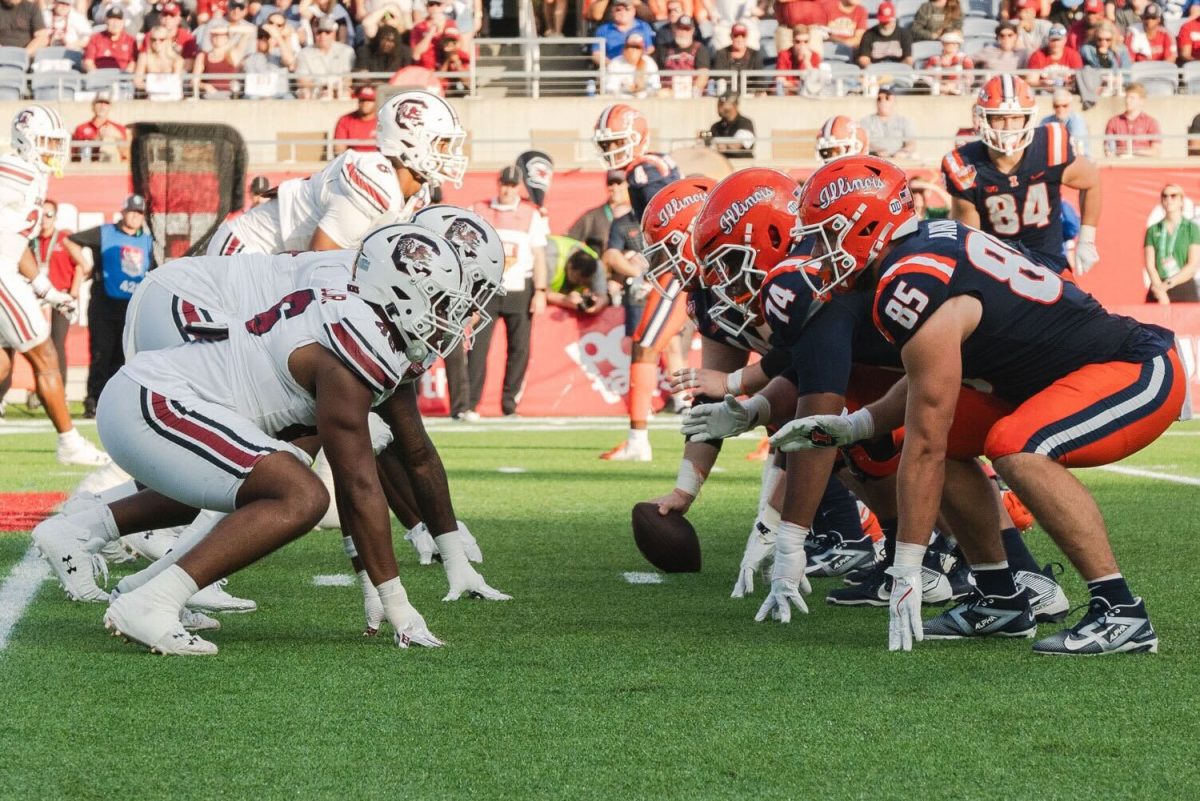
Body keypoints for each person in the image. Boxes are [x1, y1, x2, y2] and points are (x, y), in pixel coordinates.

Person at [781, 154, 1185, 655]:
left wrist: (909, 563)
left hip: (1134, 365)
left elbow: (925, 442)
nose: (817, 251)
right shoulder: (925, 248)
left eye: (827, 234)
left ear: (868, 225)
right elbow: (929, 387)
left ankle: (1121, 611)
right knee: (942, 438)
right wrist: (857, 425)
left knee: (1015, 446)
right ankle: (999, 598)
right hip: (1052, 380)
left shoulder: (912, 281)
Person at [35, 227, 505, 655]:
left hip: (156, 399)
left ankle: (124, 570)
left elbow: (408, 452)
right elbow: (358, 484)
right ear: (398, 291)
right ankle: (154, 600)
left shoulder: (369, 324)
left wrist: (424, 562)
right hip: (157, 402)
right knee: (299, 492)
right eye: (440, 301)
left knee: (267, 480)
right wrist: (395, 601)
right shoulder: (353, 349)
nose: (450, 316)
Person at [206, 90, 463, 257]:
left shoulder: (417, 195)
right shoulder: (376, 180)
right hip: (248, 248)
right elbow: (320, 259)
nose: (448, 153)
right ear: (410, 141)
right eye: (441, 143)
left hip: (282, 260)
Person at [0, 109, 109, 466]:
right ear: (25, 139)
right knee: (44, 355)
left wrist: (46, 289)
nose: (53, 150)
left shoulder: (34, 178)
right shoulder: (15, 169)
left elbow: (17, 246)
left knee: (2, 366)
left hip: (9, 266)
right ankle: (69, 443)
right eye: (47, 142)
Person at [592, 103, 683, 461]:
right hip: (679, 265)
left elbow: (666, 223)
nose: (609, 150)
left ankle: (639, 441)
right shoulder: (658, 163)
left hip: (678, 268)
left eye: (615, 141)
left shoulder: (642, 171)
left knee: (646, 345)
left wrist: (650, 265)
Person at [943, 75, 1101, 276]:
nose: (1009, 128)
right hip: (996, 271)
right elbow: (969, 240)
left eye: (1016, 118)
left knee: (1084, 307)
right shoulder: (966, 165)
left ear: (1028, 118)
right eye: (1000, 118)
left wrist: (1087, 239)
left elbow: (1091, 181)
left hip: (1049, 264)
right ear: (984, 118)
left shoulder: (1049, 145)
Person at [466, 166, 549, 418]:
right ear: (498, 183)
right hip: (486, 290)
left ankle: (510, 404)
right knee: (477, 348)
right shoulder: (478, 210)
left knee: (519, 349)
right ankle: (469, 404)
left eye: (513, 185)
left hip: (518, 288)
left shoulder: (530, 214)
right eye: (504, 183)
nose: (507, 189)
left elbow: (539, 255)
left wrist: (541, 290)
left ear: (519, 187)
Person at [64, 194, 154, 417]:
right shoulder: (105, 233)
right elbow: (70, 240)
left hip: (130, 307)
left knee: (122, 358)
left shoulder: (147, 241)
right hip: (104, 304)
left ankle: (115, 403)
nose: (135, 216)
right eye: (132, 211)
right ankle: (93, 400)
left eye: (139, 213)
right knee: (101, 354)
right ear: (123, 212)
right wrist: (84, 265)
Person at [30, 199, 81, 385]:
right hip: (37, 297)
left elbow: (83, 266)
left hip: (60, 297)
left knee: (57, 343)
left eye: (49, 215)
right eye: (41, 215)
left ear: (55, 217)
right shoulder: (31, 240)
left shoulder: (64, 239)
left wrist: (72, 295)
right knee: (35, 345)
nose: (44, 219)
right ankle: (38, 388)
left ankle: (61, 390)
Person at [1144, 184, 1200, 303]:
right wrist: (1160, 291)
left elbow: (1192, 265)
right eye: (1165, 196)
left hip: (1184, 286)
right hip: (1158, 287)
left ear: (1181, 201)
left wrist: (1167, 285)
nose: (1168, 199)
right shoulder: (1153, 230)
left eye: (1173, 196)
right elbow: (1150, 265)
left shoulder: (1191, 228)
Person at [545, 236, 608, 314]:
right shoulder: (550, 258)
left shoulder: (597, 267)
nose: (580, 284)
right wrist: (564, 300)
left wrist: (597, 306)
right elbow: (541, 293)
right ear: (570, 266)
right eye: (577, 280)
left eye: (585, 283)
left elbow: (603, 297)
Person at [297, 15, 355, 98]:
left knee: (345, 93)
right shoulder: (304, 53)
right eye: (319, 32)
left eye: (327, 32)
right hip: (314, 91)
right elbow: (302, 80)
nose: (323, 36)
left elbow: (348, 79)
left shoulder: (346, 51)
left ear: (334, 33)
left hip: (339, 90)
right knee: (305, 93)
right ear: (314, 33)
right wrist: (322, 88)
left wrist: (332, 89)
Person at [655, 14, 710, 97]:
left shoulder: (700, 49)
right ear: (674, 29)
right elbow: (656, 73)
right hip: (668, 95)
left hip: (692, 95)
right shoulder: (664, 48)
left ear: (692, 31)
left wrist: (692, 92)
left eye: (687, 29)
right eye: (680, 28)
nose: (683, 32)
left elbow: (703, 75)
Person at [1103, 82, 1161, 157]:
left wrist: (1132, 152)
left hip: (1143, 164)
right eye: (1126, 97)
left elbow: (1156, 151)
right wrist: (1111, 153)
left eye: (1132, 98)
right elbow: (1108, 148)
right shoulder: (1113, 121)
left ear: (1141, 101)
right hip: (1120, 164)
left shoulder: (1151, 122)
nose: (1127, 100)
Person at [859, 85, 914, 159]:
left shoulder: (904, 121)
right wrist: (877, 150)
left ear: (894, 101)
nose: (883, 101)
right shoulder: (866, 121)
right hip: (875, 159)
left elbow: (911, 143)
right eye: (879, 98)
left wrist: (903, 151)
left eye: (887, 98)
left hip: (898, 161)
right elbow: (862, 142)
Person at [71, 94, 129, 163]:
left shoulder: (119, 128)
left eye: (106, 103)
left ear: (110, 107)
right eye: (99, 103)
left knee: (110, 139)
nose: (102, 106)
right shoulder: (81, 128)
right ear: (93, 106)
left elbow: (127, 155)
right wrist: (97, 139)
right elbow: (74, 154)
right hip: (88, 165)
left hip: (112, 167)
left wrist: (118, 136)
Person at [1079, 20, 1129, 97]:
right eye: (1100, 39)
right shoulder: (1087, 50)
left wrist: (1115, 80)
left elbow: (1127, 75)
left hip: (1116, 89)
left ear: (1113, 37)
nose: (1103, 43)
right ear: (1095, 37)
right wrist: (1102, 55)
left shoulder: (1121, 50)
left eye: (1108, 39)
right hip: (1095, 88)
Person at [194, 21, 244, 97]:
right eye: (215, 35)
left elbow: (249, 31)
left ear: (227, 38)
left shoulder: (233, 54)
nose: (218, 37)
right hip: (210, 95)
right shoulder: (203, 56)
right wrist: (205, 86)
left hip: (230, 95)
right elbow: (194, 80)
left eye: (221, 35)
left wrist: (227, 30)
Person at [604, 31, 662, 97]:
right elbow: (610, 88)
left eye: (637, 48)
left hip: (644, 99)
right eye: (629, 47)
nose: (632, 50)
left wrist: (641, 89)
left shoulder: (649, 62)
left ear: (642, 50)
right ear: (624, 49)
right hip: (622, 100)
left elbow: (655, 86)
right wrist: (626, 89)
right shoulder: (615, 63)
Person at [1026, 23, 1082, 89]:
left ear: (1065, 40)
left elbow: (1079, 80)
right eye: (1053, 40)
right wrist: (1044, 83)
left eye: (1058, 40)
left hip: (1067, 92)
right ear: (1048, 40)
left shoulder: (1073, 55)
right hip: (1043, 93)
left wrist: (1065, 83)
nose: (1056, 43)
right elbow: (1031, 81)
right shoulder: (1037, 55)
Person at [856, 2, 912, 67]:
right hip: (875, 71)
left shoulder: (904, 34)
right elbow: (864, 59)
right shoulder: (869, 34)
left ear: (894, 19)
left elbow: (908, 59)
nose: (886, 25)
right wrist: (874, 70)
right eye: (883, 22)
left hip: (898, 71)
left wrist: (897, 69)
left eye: (888, 22)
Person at [83, 7, 137, 72]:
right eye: (112, 19)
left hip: (122, 77)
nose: (115, 23)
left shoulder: (130, 40)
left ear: (123, 22)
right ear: (106, 20)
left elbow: (133, 63)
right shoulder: (95, 38)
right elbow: (89, 61)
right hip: (100, 76)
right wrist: (95, 76)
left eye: (118, 20)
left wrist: (126, 76)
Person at [712, 21, 763, 89]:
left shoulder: (755, 55)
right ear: (731, 36)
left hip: (750, 94)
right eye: (736, 35)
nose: (739, 39)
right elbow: (719, 77)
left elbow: (759, 80)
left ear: (747, 36)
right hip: (727, 93)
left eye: (743, 35)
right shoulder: (721, 54)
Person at [1039, 88, 1090, 156]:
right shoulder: (1046, 121)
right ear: (1053, 106)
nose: (1061, 109)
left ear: (1070, 106)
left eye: (1064, 106)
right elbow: (1039, 142)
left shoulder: (1077, 121)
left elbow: (1075, 148)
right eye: (1057, 106)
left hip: (1079, 159)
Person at [707, 91, 755, 158]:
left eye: (722, 104)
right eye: (719, 104)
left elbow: (737, 145)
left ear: (734, 105)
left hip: (741, 165)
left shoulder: (745, 123)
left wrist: (724, 146)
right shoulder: (716, 126)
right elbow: (709, 146)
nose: (719, 108)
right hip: (720, 165)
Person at [921, 30, 971, 94]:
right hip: (939, 87)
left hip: (958, 88)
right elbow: (928, 74)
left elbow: (969, 76)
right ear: (943, 44)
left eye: (954, 43)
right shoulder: (934, 59)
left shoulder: (965, 59)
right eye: (948, 43)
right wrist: (943, 85)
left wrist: (953, 84)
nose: (952, 46)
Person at [333, 85, 379, 155]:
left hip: (379, 161)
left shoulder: (384, 120)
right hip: (353, 161)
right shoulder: (345, 120)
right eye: (362, 100)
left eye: (370, 100)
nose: (365, 103)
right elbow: (339, 150)